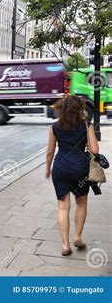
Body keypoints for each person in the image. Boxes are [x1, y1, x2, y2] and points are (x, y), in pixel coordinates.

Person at [45, 96, 99, 256]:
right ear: (80, 108)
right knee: (81, 203)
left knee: (62, 207)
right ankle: (77, 236)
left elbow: (49, 152)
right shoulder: (85, 125)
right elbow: (94, 150)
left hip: (60, 168)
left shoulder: (55, 126)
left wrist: (48, 169)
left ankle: (65, 246)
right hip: (80, 169)